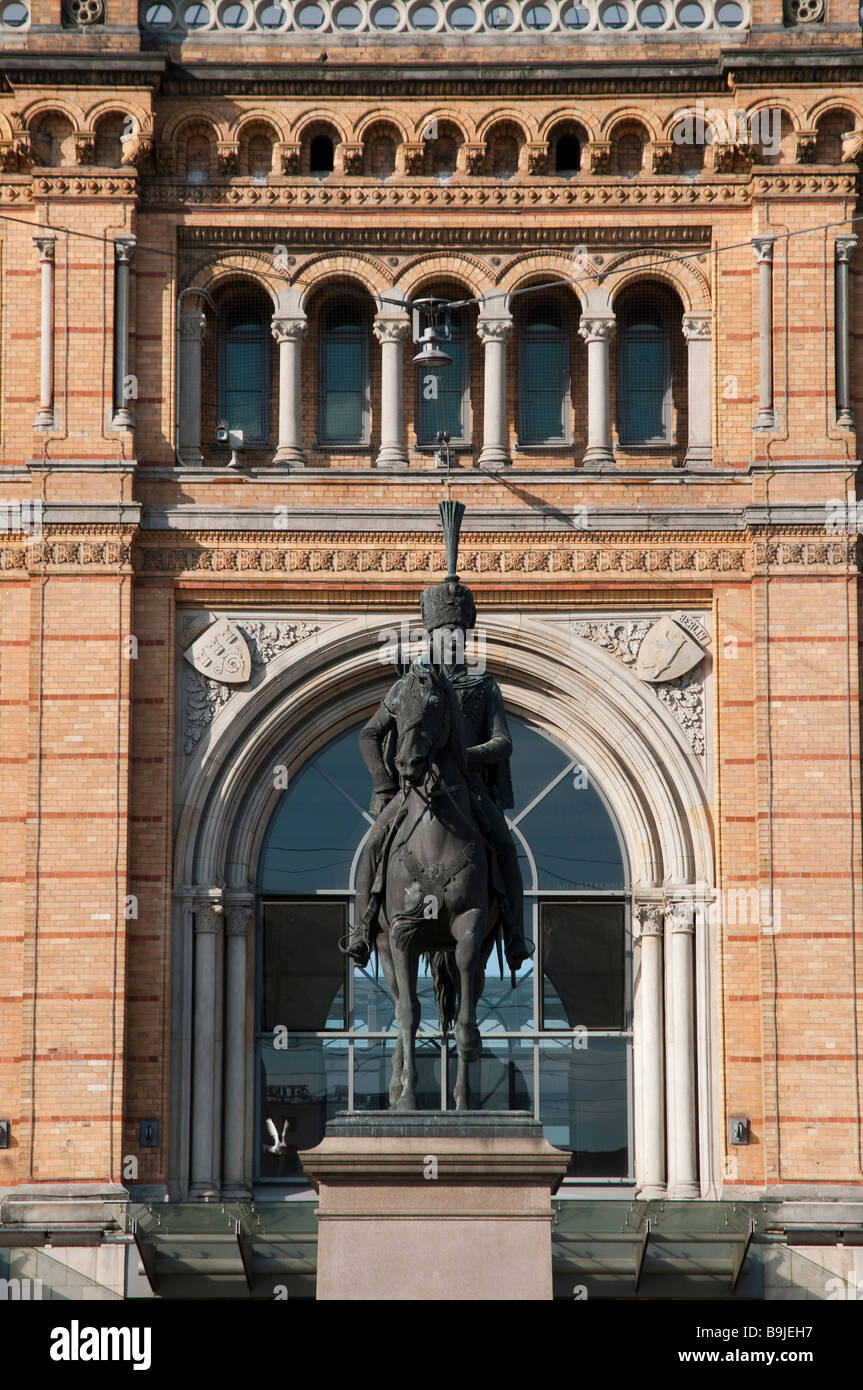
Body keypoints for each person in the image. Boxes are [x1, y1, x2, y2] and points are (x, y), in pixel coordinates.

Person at [342, 563, 533, 974]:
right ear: (429, 637)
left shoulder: (483, 686)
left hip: (470, 791)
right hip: (413, 793)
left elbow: (503, 742)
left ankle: (515, 934)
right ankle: (361, 930)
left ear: (464, 637)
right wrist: (385, 784)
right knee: (374, 845)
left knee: (504, 847)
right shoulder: (408, 686)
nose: (448, 641)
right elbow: (369, 734)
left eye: (456, 635)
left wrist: (466, 757)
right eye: (440, 635)